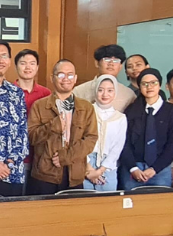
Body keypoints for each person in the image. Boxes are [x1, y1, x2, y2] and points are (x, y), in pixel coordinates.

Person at [26, 59, 98, 194]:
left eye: (70, 75)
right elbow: (31, 137)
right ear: (52, 78)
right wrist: (52, 126)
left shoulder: (86, 107)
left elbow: (91, 139)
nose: (66, 79)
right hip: (45, 174)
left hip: (74, 174)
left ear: (75, 78)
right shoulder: (39, 105)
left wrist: (66, 157)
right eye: (61, 75)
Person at [118, 67, 173, 190]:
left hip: (160, 169)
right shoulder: (131, 110)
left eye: (153, 83)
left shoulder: (170, 110)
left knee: (160, 201)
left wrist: (155, 169)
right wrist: (133, 168)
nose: (149, 87)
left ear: (160, 85)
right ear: (139, 87)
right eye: (144, 84)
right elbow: (123, 142)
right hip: (133, 169)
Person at [0, 40, 29, 196]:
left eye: (4, 56)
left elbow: (22, 134)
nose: (0, 60)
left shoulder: (16, 93)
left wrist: (8, 166)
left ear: (9, 61)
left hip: (12, 174)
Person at [83, 76, 126, 192]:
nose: (105, 94)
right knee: (85, 200)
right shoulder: (86, 112)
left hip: (108, 166)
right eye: (100, 90)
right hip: (86, 162)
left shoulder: (120, 118)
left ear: (115, 93)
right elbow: (79, 140)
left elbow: (118, 147)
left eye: (110, 90)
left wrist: (100, 170)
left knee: (107, 201)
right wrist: (89, 168)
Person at [73, 44, 136, 111]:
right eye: (107, 59)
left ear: (120, 66)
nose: (111, 63)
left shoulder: (129, 95)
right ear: (97, 63)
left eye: (116, 60)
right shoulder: (79, 91)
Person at [12, 48, 51, 113]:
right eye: (23, 63)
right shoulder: (7, 92)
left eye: (32, 64)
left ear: (37, 67)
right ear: (16, 67)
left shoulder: (46, 93)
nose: (28, 67)